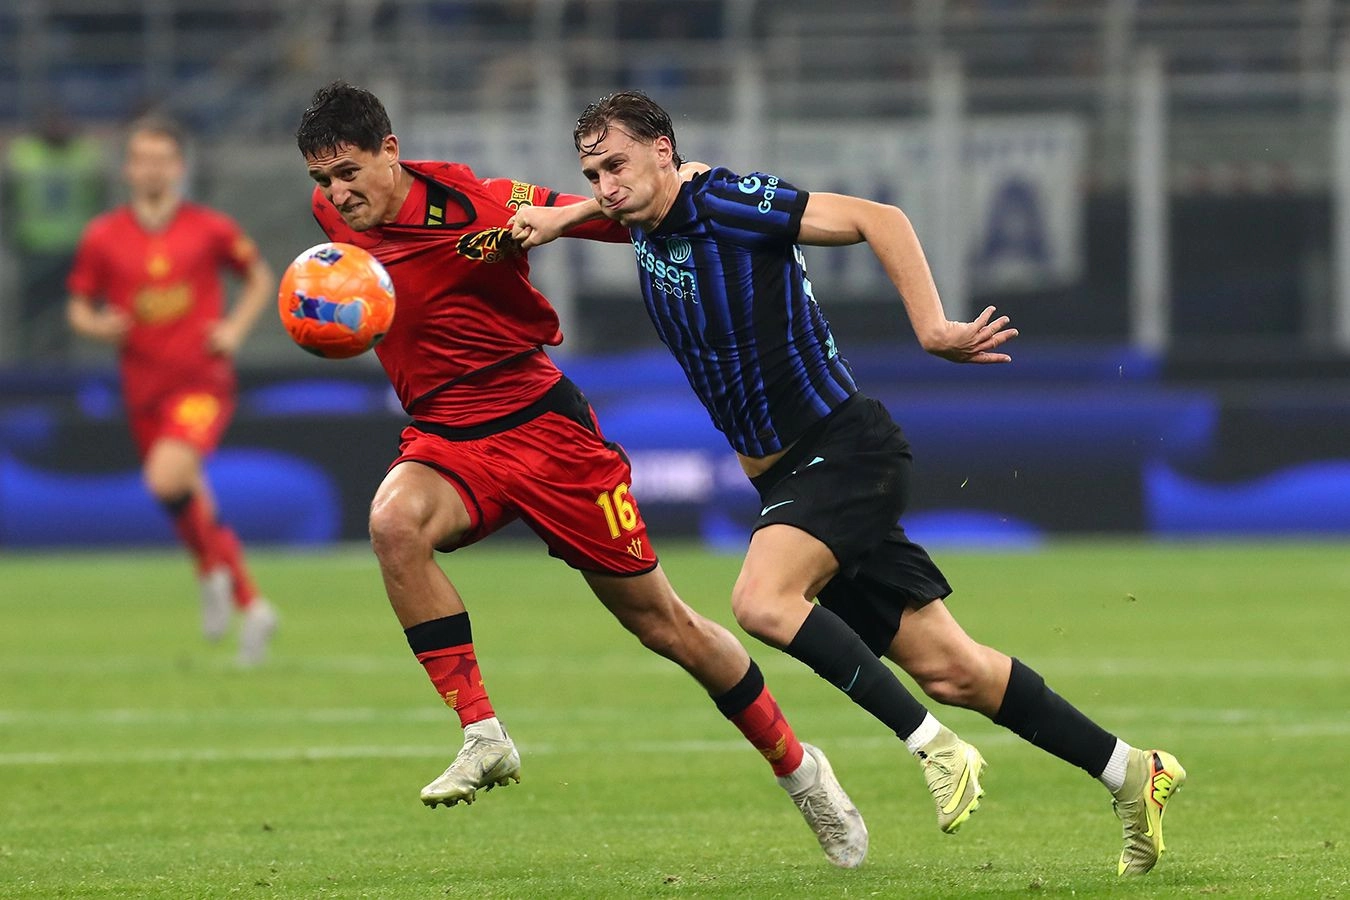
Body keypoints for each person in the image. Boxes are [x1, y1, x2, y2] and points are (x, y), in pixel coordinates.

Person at [509, 89, 1187, 877]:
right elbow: (619, 206)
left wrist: (933, 328)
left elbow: (878, 218)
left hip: (844, 451)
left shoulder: (728, 202)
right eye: (592, 174)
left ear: (664, 150)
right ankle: (1132, 771)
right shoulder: (640, 212)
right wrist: (558, 219)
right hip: (792, 479)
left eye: (616, 166)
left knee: (762, 601)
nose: (605, 186)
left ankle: (932, 746)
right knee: (954, 670)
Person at [292, 80, 868, 869]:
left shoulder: (480, 204)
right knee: (393, 523)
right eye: (322, 180)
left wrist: (660, 190)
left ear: (390, 151)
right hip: (448, 438)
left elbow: (620, 212)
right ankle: (482, 733)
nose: (337, 194)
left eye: (349, 172)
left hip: (545, 434)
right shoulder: (332, 220)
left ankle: (799, 770)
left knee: (665, 626)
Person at [66, 115, 278, 666]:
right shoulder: (103, 236)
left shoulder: (209, 228)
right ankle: (251, 604)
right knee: (182, 496)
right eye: (143, 159)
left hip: (201, 382)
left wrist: (234, 330)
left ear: (179, 167)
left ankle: (211, 574)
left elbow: (259, 277)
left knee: (166, 477)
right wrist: (98, 326)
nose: (153, 169)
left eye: (163, 159)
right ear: (128, 168)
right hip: (142, 388)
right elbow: (78, 307)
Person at [3, 110, 107, 361]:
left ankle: (65, 363)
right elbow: (8, 200)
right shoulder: (23, 155)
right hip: (34, 246)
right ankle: (28, 361)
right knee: (32, 312)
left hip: (74, 248)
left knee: (71, 311)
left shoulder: (85, 156)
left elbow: (100, 198)